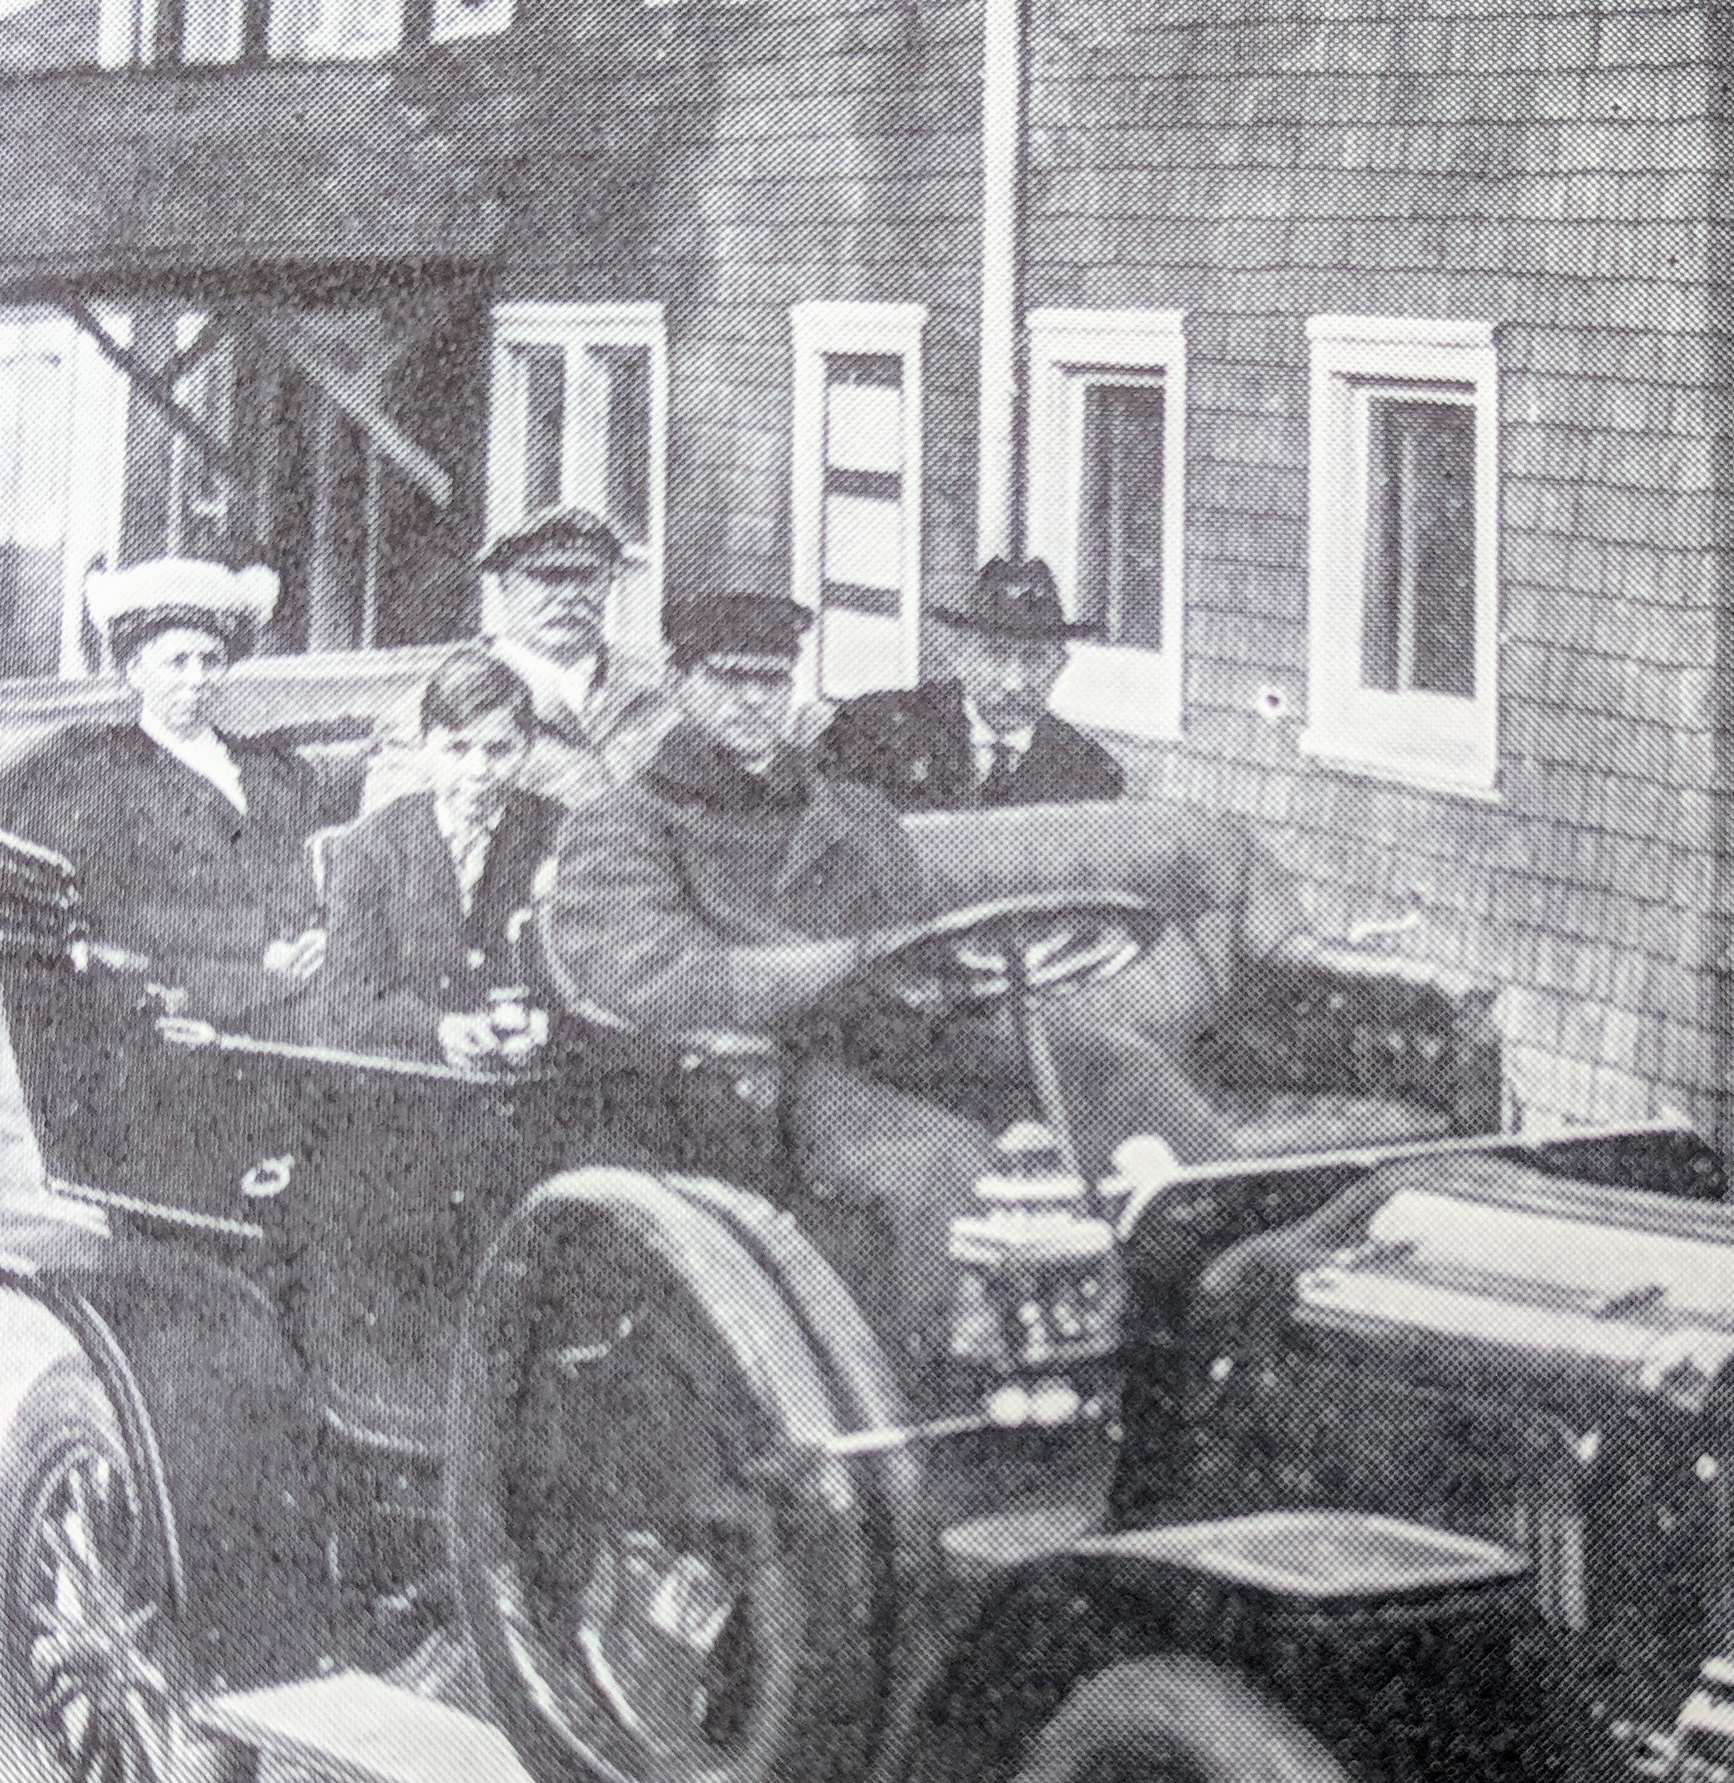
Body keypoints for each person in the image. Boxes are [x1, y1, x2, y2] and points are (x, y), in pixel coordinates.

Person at [541, 588, 1228, 1368]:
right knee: (946, 1161)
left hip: (907, 1036)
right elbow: (659, 979)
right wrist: (850, 961)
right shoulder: (624, 824)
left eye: (770, 681)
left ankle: (1222, 1293)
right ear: (679, 683)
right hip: (776, 1074)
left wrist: (959, 976)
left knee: (1112, 1063)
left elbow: (922, 937)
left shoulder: (855, 810)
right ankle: (979, 1389)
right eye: (727, 678)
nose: (751, 700)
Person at [9, 560, 329, 1034]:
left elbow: (327, 870)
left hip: (304, 993)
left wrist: (323, 934)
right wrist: (257, 947)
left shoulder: (276, 772)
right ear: (135, 670)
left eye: (211, 660)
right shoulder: (103, 775)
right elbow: (113, 909)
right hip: (177, 1002)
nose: (197, 678)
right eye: (178, 662)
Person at [315, 648, 563, 1069]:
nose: (478, 769)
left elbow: (605, 977)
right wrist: (437, 1028)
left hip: (537, 1079)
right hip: (416, 1078)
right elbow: (344, 997)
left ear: (528, 748)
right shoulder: (370, 846)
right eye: (457, 748)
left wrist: (551, 1026)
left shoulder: (563, 835)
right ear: (424, 746)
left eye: (499, 749)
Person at [360, 503, 670, 813]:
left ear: (610, 581)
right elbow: (388, 843)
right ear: (505, 585)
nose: (568, 595)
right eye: (548, 577)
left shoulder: (659, 694)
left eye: (587, 576)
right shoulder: (431, 705)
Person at [818, 556, 1128, 809]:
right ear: (957, 656)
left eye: (1035, 659)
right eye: (995, 654)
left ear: (1059, 666)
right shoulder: (876, 733)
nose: (1014, 683)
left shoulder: (1087, 773)